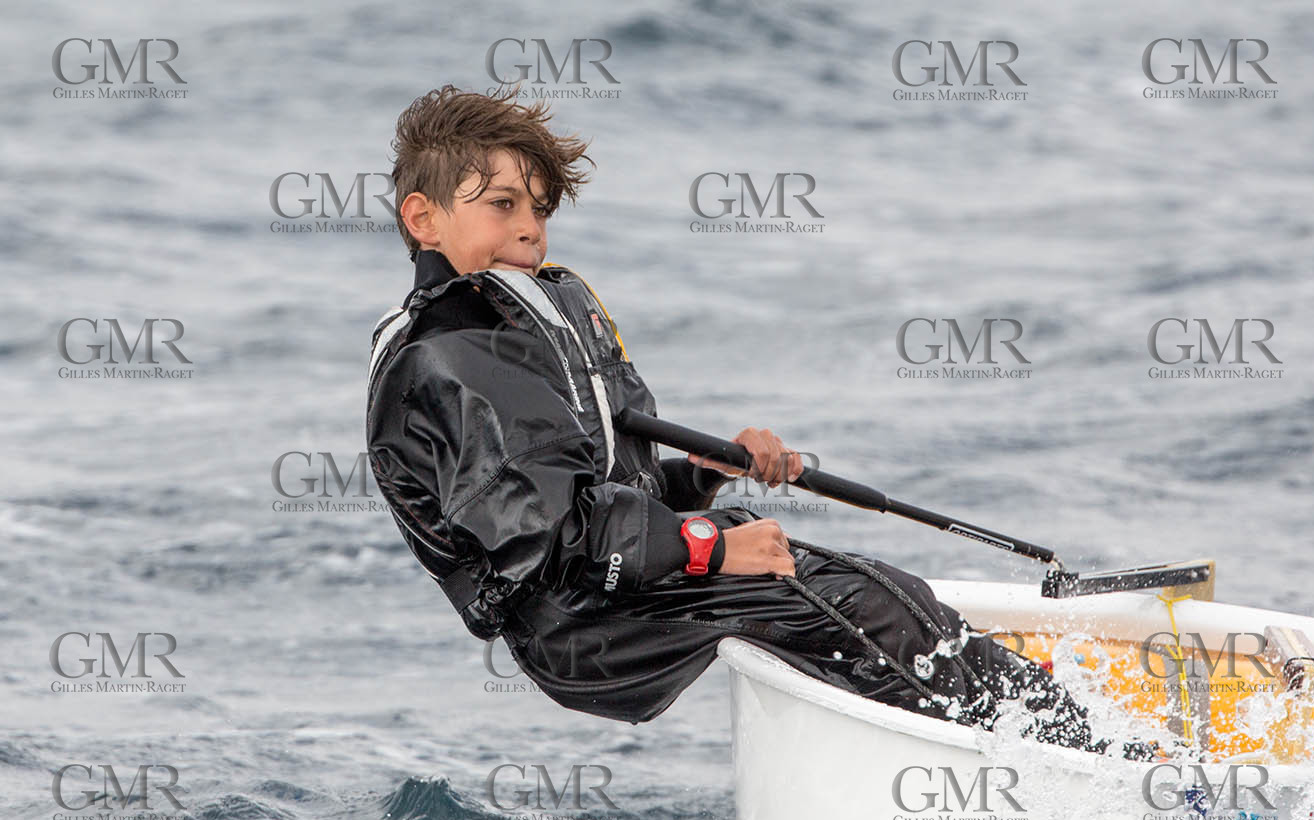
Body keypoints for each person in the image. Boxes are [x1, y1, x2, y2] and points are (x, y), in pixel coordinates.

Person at [365, 86, 1101, 749]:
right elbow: (555, 541)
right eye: (503, 205)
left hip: (622, 574)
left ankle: (1078, 740)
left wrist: (702, 478)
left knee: (886, 590)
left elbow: (603, 474)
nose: (533, 231)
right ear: (423, 218)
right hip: (582, 622)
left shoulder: (539, 307)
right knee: (861, 609)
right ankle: (1049, 761)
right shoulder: (451, 358)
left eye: (540, 208)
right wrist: (708, 548)